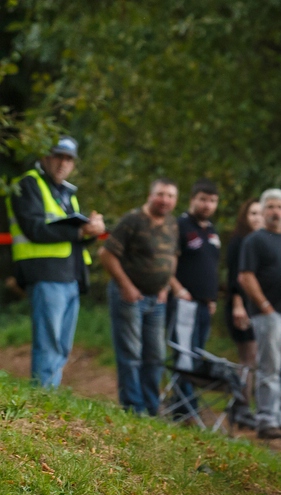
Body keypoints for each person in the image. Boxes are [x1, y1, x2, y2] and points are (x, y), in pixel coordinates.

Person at [4, 136, 105, 387]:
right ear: (44, 157)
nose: (63, 163)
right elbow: (34, 229)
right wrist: (80, 232)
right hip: (46, 274)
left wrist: (91, 231)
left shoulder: (67, 192)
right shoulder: (27, 184)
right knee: (49, 344)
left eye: (69, 159)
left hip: (71, 276)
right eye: (58, 156)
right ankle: (42, 401)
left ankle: (49, 396)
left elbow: (72, 236)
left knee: (61, 346)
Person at [99, 179, 179, 415]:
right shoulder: (132, 220)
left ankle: (152, 407)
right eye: (161, 194)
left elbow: (172, 256)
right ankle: (133, 407)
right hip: (129, 296)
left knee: (155, 355)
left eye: (170, 196)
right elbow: (106, 254)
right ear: (150, 195)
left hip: (157, 300)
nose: (165, 200)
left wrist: (165, 286)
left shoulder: (172, 224)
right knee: (131, 353)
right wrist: (126, 286)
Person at [238, 189, 281, 440]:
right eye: (271, 207)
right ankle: (265, 419)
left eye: (279, 207)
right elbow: (245, 275)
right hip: (268, 314)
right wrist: (264, 305)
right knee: (269, 367)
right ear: (263, 211)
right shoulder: (254, 240)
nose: (275, 212)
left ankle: (280, 416)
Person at [167, 179, 221, 416]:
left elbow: (210, 266)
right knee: (184, 355)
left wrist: (211, 299)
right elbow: (168, 262)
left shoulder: (211, 230)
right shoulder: (180, 225)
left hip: (204, 304)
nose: (207, 205)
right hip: (184, 302)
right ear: (193, 200)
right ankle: (183, 407)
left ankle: (186, 404)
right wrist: (178, 289)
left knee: (196, 354)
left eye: (212, 201)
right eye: (203, 200)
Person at [226, 199, 264, 429]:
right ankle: (241, 407)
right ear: (244, 216)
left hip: (257, 308)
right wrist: (238, 304)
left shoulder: (262, 242)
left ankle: (242, 406)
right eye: (252, 213)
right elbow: (234, 279)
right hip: (240, 307)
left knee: (255, 360)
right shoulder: (239, 242)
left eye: (260, 213)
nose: (257, 218)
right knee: (248, 359)